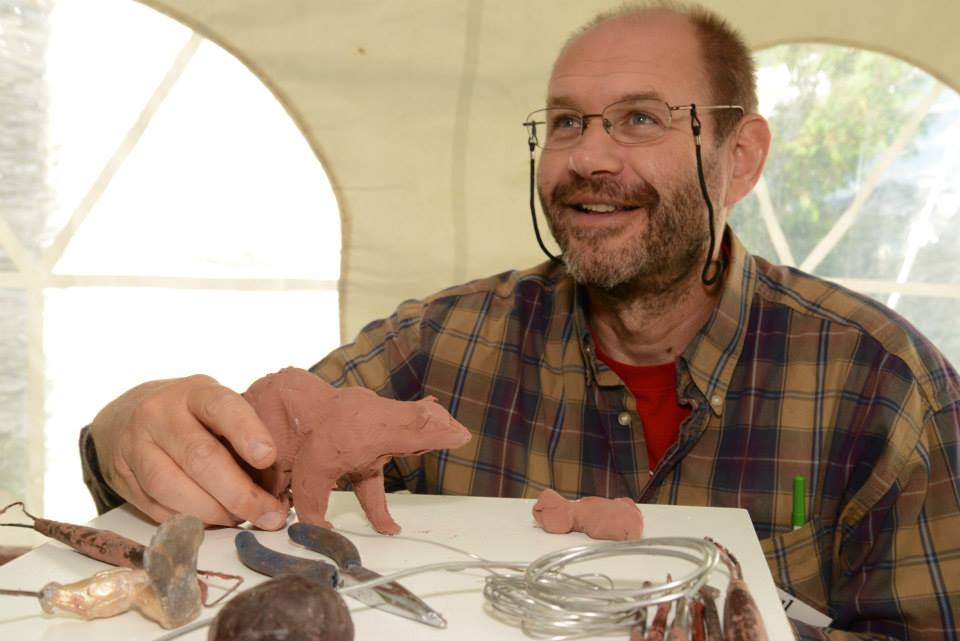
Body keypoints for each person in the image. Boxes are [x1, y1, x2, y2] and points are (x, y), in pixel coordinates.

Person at [80, 3, 960, 640]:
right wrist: (130, 433)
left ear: (741, 157)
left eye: (639, 119)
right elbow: (255, 459)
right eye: (567, 122)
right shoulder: (442, 344)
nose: (586, 157)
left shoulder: (882, 382)